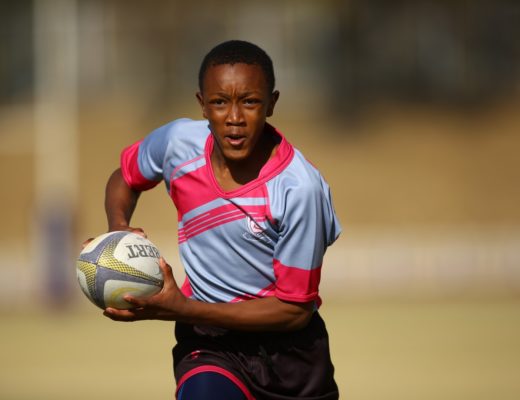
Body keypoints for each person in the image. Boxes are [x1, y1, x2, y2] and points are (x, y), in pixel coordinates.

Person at [100, 40, 341, 400]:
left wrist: (181, 308)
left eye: (250, 101)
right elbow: (126, 176)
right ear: (202, 104)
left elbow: (294, 311)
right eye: (219, 102)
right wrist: (118, 227)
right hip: (209, 346)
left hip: (291, 359)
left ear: (272, 103)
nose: (234, 118)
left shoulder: (299, 189)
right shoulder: (177, 143)